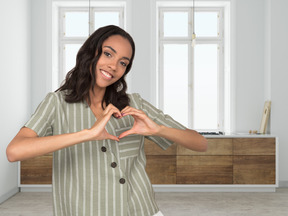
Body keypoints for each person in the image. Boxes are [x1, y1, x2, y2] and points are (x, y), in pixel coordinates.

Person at [6, 25, 207, 216]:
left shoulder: (134, 105)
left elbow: (200, 143)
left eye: (123, 63)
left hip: (140, 210)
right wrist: (87, 134)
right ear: (91, 53)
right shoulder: (57, 103)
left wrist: (158, 130)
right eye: (108, 54)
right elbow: (14, 151)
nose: (114, 66)